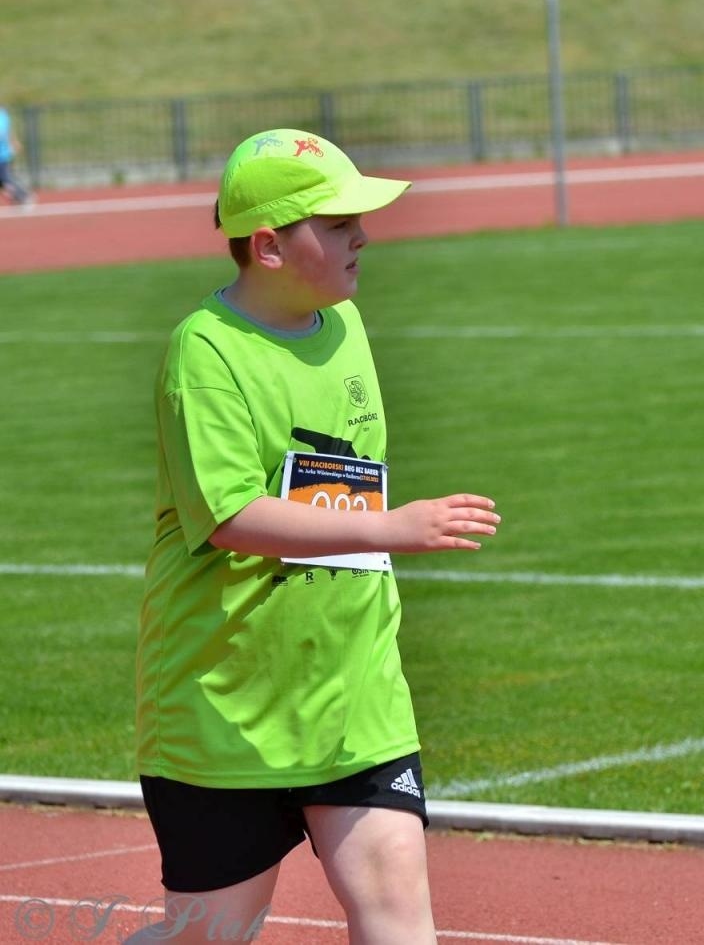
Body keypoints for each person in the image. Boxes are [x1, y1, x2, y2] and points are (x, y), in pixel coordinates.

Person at [131, 128, 501, 945]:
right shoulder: (206, 353)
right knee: (208, 937)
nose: (361, 235)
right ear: (267, 246)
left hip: (355, 697)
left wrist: (372, 536)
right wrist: (391, 527)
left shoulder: (347, 326)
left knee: (399, 918)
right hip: (226, 712)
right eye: (335, 224)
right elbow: (230, 515)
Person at [0, 98, 34, 207]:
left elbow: (2, 134)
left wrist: (14, 143)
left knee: (5, 178)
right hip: (4, 153)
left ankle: (23, 196)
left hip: (2, 154)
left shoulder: (2, 115)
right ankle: (18, 197)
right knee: (4, 179)